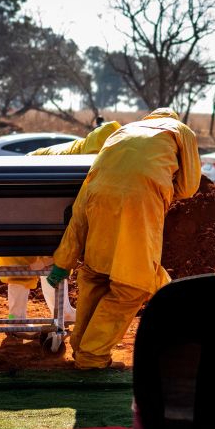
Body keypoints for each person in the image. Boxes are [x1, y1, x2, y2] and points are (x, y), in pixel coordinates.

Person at [46, 108, 200, 370]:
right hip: (137, 203)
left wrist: (63, 261)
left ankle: (81, 347)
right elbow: (188, 187)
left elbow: (79, 218)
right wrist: (162, 184)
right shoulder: (179, 131)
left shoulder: (122, 131)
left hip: (95, 194)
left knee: (96, 277)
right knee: (133, 286)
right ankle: (92, 358)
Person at [0, 120, 123, 330]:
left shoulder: (86, 152)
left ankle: (58, 312)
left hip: (36, 203)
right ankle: (17, 318)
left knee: (50, 261)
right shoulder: (89, 160)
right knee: (27, 262)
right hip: (28, 200)